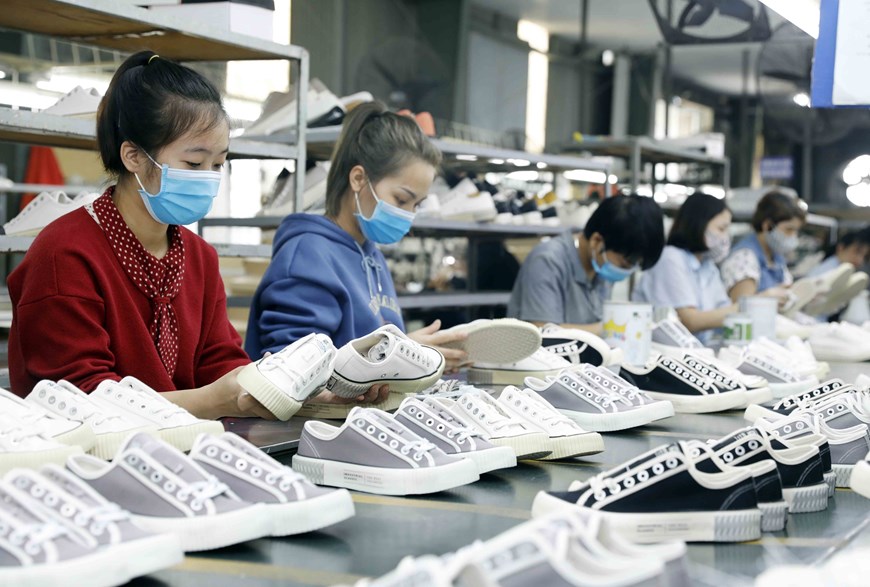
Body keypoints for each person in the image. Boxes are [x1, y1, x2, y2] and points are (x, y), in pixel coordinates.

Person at [6, 51, 282, 418]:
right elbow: (81, 398)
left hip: (181, 448)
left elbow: (220, 362)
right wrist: (213, 400)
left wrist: (286, 391)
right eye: (194, 163)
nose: (209, 177)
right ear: (134, 156)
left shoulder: (199, 256)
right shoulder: (64, 254)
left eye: (219, 164)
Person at [245, 101, 469, 379]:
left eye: (417, 205)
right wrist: (402, 353)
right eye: (401, 199)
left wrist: (412, 358)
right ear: (358, 178)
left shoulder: (369, 253)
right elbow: (293, 373)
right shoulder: (307, 255)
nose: (408, 216)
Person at [507, 194, 665, 334]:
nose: (625, 272)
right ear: (597, 241)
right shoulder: (548, 261)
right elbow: (543, 332)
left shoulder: (600, 266)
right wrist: (611, 328)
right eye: (624, 265)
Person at [634, 193, 777, 344]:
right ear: (699, 225)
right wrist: (754, 304)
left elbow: (725, 313)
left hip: (696, 352)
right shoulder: (670, 259)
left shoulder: (708, 267)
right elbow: (690, 321)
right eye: (721, 229)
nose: (726, 237)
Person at [721, 190, 806, 302]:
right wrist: (767, 296)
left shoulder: (776, 257)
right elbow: (741, 308)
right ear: (768, 225)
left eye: (796, 231)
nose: (793, 236)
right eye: (789, 229)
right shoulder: (744, 257)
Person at [806, 227, 870, 278]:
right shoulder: (827, 273)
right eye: (857, 251)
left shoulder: (841, 272)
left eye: (865, 257)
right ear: (841, 248)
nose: (860, 260)